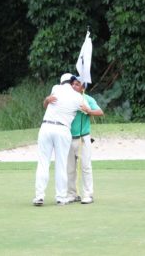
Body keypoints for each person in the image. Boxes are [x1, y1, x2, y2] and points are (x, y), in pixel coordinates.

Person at [33, 73, 84, 206]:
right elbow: (86, 109)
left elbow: (47, 104)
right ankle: (61, 197)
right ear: (71, 82)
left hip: (46, 127)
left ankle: (39, 196)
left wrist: (46, 99)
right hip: (62, 130)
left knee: (43, 163)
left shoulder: (55, 88)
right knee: (61, 164)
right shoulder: (78, 97)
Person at [66, 77, 103, 204]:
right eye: (73, 84)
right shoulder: (67, 99)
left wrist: (89, 111)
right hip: (68, 138)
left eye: (77, 84)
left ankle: (88, 194)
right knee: (70, 168)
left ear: (83, 87)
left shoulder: (88, 99)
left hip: (83, 137)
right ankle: (72, 194)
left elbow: (100, 112)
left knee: (85, 166)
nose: (74, 86)